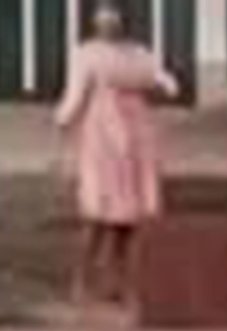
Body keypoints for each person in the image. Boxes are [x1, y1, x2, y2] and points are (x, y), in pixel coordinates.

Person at [53, 0, 177, 307]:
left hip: (135, 135)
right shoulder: (86, 54)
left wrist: (165, 83)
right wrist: (64, 118)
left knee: (128, 219)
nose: (109, 23)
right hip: (103, 137)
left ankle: (119, 281)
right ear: (94, 21)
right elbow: (75, 93)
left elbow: (158, 77)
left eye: (114, 16)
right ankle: (82, 281)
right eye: (103, 17)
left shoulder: (137, 53)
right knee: (97, 215)